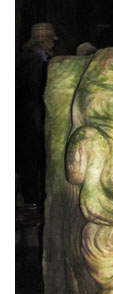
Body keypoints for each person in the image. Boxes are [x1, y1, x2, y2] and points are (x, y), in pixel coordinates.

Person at [16, 23, 58, 206]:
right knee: (32, 159)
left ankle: (32, 197)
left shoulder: (32, 58)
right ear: (44, 41)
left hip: (29, 116)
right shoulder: (33, 60)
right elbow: (35, 88)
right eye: (50, 41)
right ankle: (32, 199)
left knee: (32, 158)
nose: (52, 45)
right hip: (31, 118)